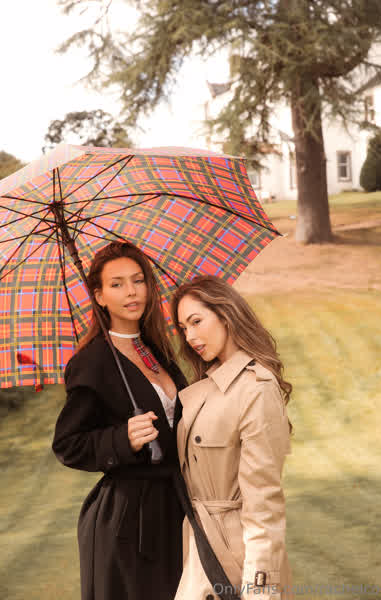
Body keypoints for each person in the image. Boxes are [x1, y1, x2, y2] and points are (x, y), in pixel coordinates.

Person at [52, 241, 187, 600]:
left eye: (138, 280)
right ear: (99, 296)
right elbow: (67, 444)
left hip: (175, 507)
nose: (131, 291)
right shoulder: (92, 362)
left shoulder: (158, 350)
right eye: (117, 284)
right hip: (128, 522)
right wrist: (120, 439)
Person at [170, 275, 294, 600]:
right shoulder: (206, 388)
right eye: (183, 328)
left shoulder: (256, 388)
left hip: (237, 557)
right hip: (200, 545)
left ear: (225, 315)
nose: (190, 336)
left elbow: (263, 502)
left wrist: (260, 588)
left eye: (196, 321)